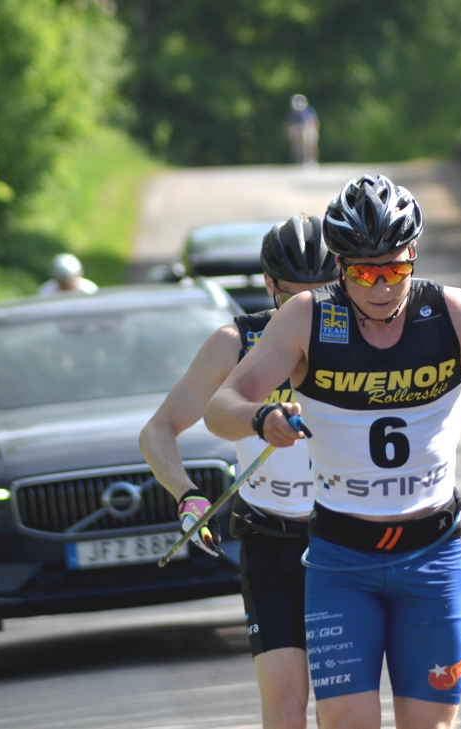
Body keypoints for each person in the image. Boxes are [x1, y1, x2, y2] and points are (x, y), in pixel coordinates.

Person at [204, 174, 461, 729]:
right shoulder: (306, 318)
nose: (381, 287)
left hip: (431, 558)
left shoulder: (454, 312)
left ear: (414, 255)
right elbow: (221, 406)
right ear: (341, 267)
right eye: (363, 273)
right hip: (341, 563)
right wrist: (260, 418)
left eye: (395, 270)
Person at [139, 214, 338, 729]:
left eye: (323, 295)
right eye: (294, 297)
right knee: (285, 707)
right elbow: (158, 430)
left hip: (343, 541)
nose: (308, 310)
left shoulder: (362, 340)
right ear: (269, 285)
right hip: (270, 543)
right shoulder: (237, 342)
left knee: (339, 708)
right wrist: (187, 494)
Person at [286, 94, 319, 168]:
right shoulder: (293, 113)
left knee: (311, 144)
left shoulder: (309, 110)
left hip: (309, 128)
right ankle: (301, 159)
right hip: (299, 129)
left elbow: (314, 121)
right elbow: (290, 124)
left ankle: (312, 160)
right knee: (299, 144)